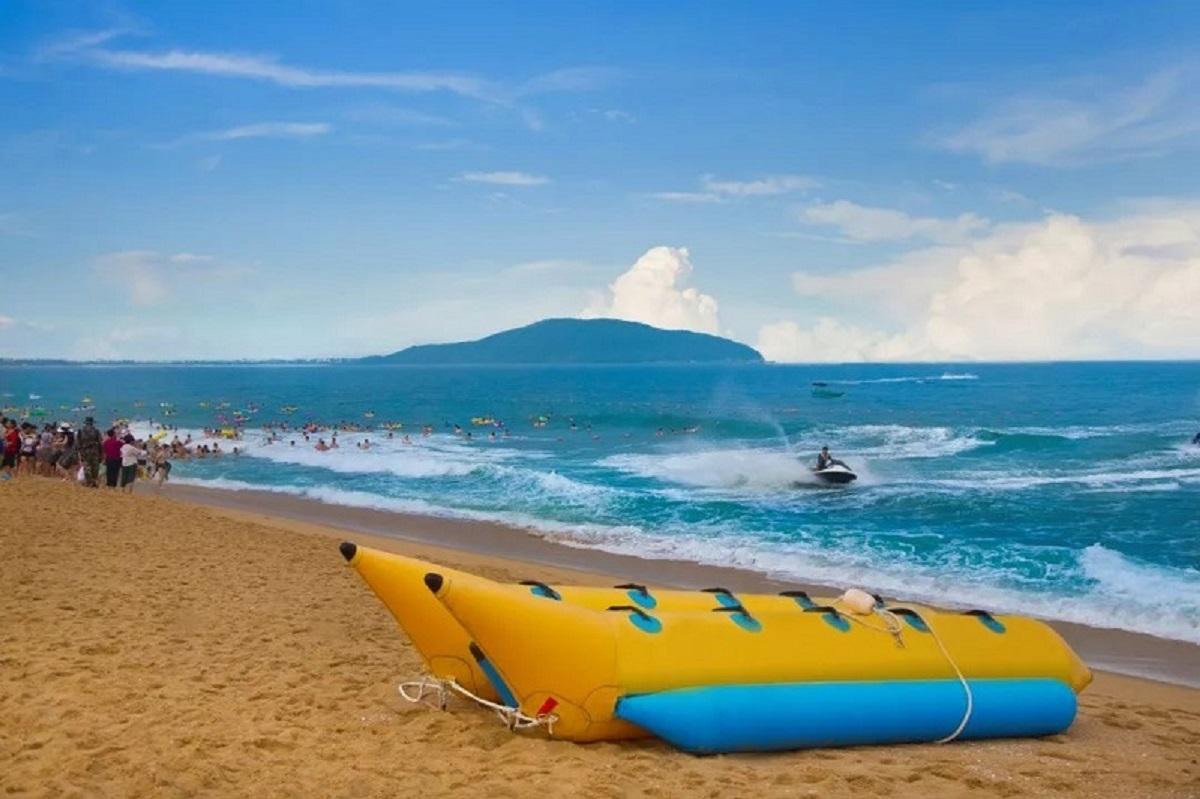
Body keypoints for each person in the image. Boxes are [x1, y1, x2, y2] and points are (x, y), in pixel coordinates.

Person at [77, 417, 102, 487]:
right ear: (92, 423)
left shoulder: (80, 431)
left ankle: (89, 482)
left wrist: (80, 453)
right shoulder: (96, 431)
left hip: (85, 451)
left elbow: (78, 444)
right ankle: (93, 481)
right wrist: (101, 454)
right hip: (94, 451)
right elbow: (100, 443)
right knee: (95, 468)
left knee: (86, 467)